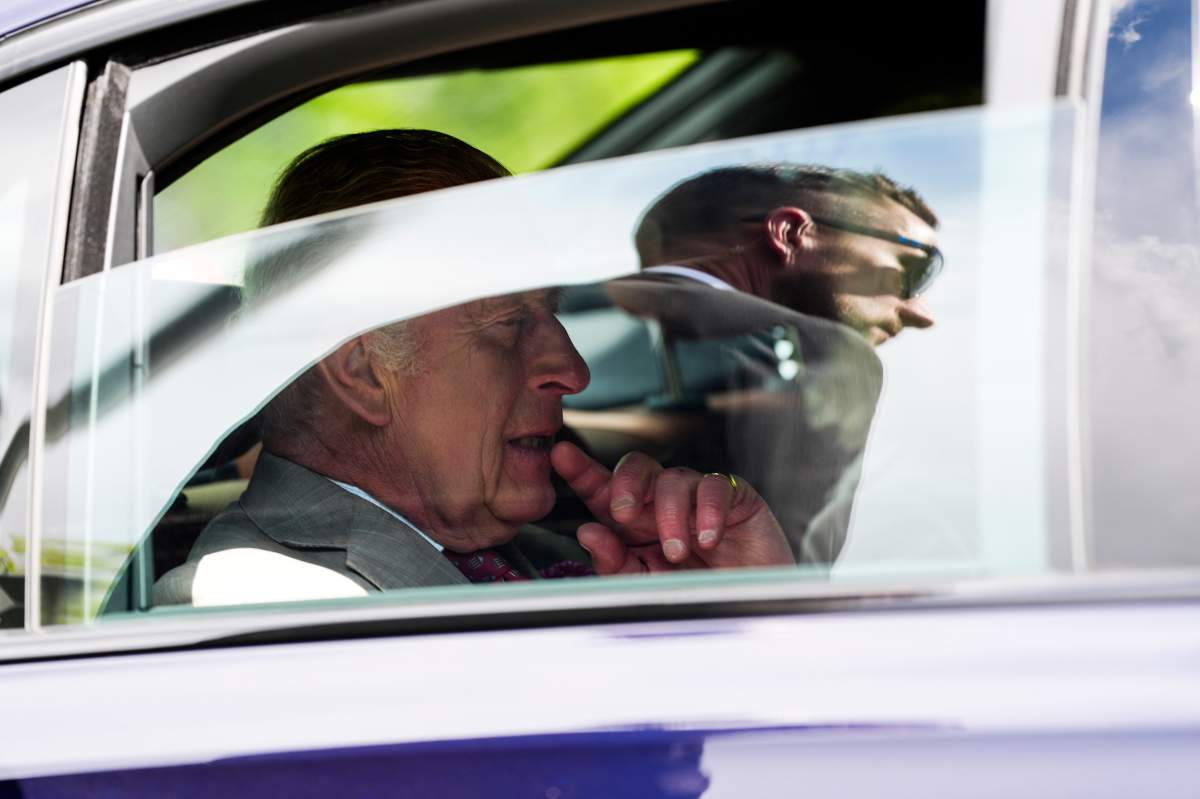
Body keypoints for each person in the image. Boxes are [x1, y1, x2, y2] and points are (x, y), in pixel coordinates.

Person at [155, 130, 793, 607]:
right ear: (363, 371)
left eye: (551, 314)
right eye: (508, 324)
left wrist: (731, 618)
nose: (572, 371)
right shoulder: (264, 601)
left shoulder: (545, 560)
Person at [595, 164, 943, 562]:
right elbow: (786, 580)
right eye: (913, 271)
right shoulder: (824, 352)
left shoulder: (540, 325)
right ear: (791, 234)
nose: (921, 312)